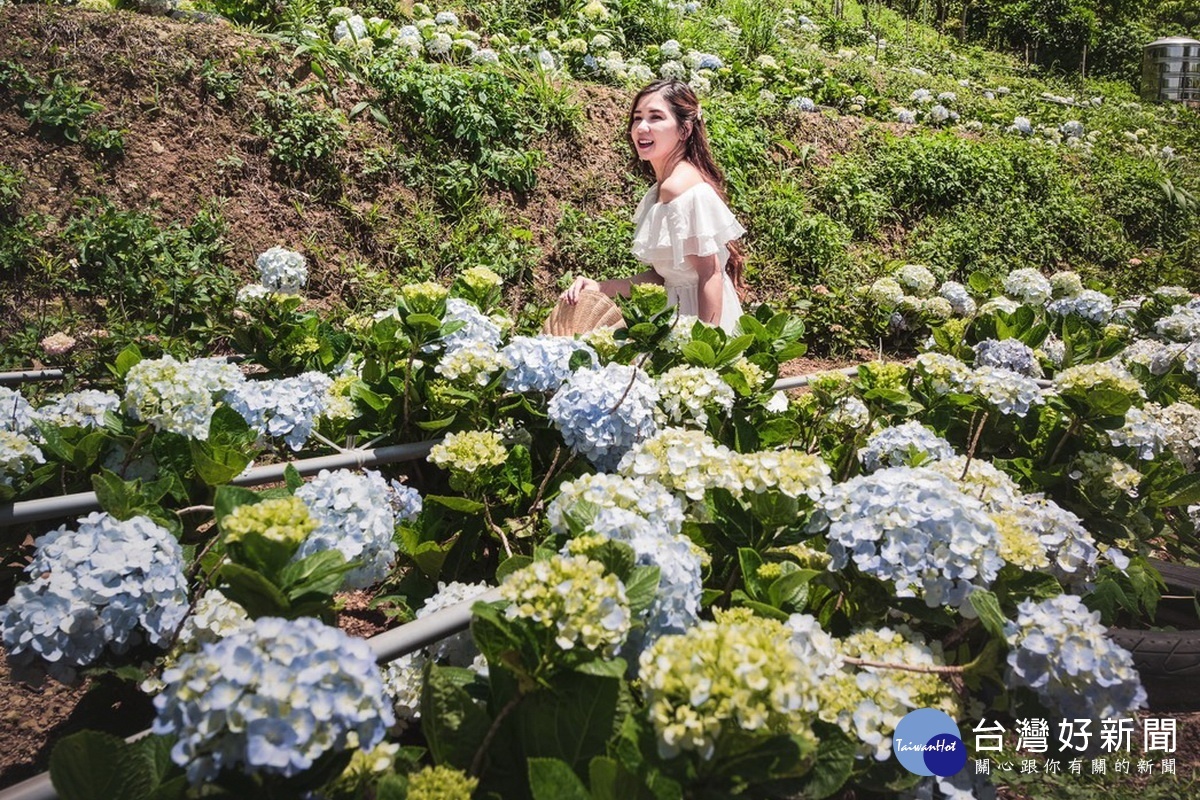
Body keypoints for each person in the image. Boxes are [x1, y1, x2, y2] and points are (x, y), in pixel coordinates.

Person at [560, 79, 747, 333]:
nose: (642, 127)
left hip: (697, 323)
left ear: (685, 130)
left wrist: (705, 348)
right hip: (675, 319)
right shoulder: (661, 190)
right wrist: (601, 287)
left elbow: (710, 275)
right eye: (637, 118)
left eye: (656, 117)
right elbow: (665, 278)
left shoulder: (678, 188)